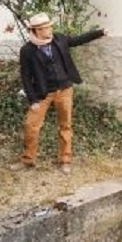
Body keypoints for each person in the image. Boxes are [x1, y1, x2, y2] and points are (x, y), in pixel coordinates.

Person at [14, 13, 106, 175]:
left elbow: (78, 40)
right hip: (42, 93)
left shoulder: (59, 39)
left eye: (49, 26)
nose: (50, 30)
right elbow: (25, 77)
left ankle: (65, 160)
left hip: (64, 89)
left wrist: (99, 32)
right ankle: (28, 159)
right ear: (36, 30)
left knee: (65, 125)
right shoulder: (27, 50)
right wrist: (32, 99)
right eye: (45, 28)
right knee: (31, 125)